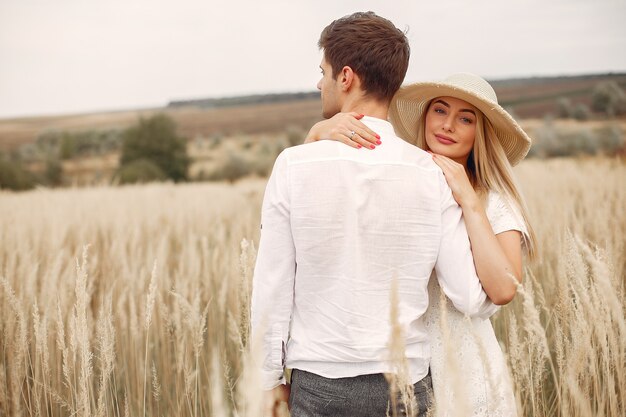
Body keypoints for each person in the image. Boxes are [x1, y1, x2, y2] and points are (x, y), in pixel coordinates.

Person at [250, 12, 499, 417]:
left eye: (323, 72)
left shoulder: (292, 166)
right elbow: (470, 297)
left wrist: (267, 380)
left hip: (319, 383)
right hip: (407, 383)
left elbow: (273, 286)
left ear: (346, 77)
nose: (319, 83)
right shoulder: (432, 174)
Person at [304, 72, 537, 416]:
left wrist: (469, 201)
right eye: (440, 111)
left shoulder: (495, 200)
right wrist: (315, 138)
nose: (448, 125)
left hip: (466, 368)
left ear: (480, 132)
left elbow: (503, 289)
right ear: (426, 116)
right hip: (400, 370)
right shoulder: (402, 178)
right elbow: (332, 222)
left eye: (465, 118)